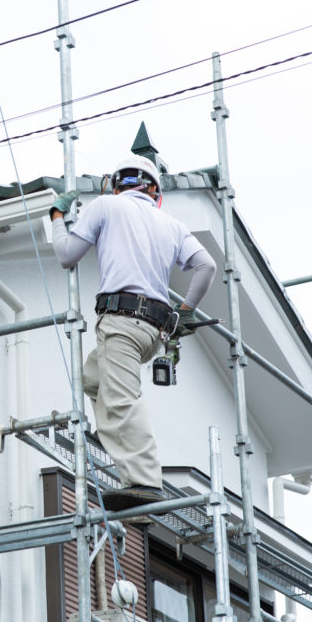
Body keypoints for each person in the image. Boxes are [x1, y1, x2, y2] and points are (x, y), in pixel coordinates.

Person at [49, 154, 217, 512]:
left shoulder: (105, 205)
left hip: (121, 322)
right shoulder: (171, 224)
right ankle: (116, 435)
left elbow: (66, 255)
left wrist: (57, 217)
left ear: (116, 185)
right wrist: (185, 311)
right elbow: (206, 266)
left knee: (123, 400)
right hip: (153, 331)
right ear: (155, 191)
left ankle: (145, 483)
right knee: (93, 379)